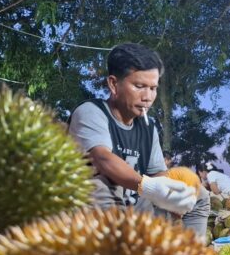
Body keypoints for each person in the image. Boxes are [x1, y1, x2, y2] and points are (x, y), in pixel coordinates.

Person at [68, 42, 199, 227]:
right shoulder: (91, 112)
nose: (147, 97)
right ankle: (112, 246)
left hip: (136, 207)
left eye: (153, 88)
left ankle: (192, 249)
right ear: (113, 84)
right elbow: (103, 159)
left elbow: (157, 173)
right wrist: (148, 187)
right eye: (139, 86)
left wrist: (174, 194)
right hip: (98, 209)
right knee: (99, 184)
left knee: (198, 195)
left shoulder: (148, 126)